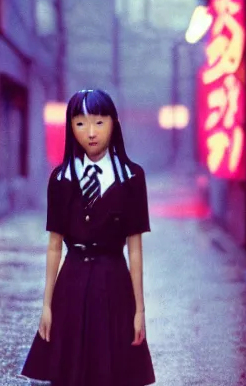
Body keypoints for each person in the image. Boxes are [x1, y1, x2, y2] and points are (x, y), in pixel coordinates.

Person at [20, 89, 156, 386]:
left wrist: (139, 310)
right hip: (71, 282)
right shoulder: (60, 178)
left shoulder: (132, 178)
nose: (90, 132)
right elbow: (55, 245)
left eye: (99, 122)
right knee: (69, 373)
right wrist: (46, 305)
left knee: (114, 373)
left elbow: (135, 250)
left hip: (114, 281)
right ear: (70, 127)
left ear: (114, 124)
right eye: (80, 123)